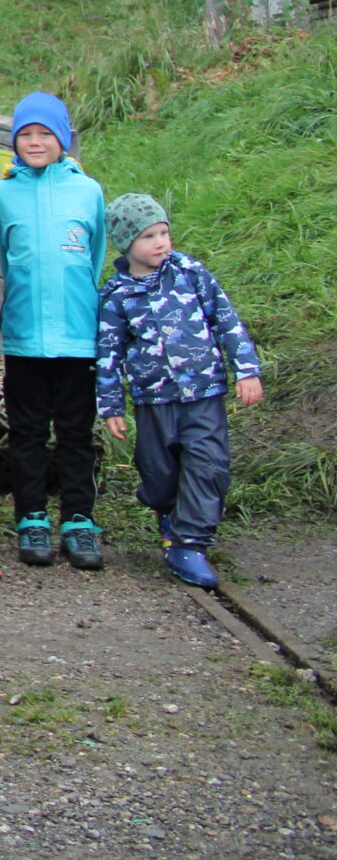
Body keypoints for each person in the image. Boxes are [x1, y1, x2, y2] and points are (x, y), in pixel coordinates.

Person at [97, 195, 263, 591]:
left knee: (208, 465)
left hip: (203, 391)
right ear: (126, 243)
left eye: (164, 233)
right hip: (154, 398)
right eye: (148, 236)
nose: (160, 243)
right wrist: (110, 405)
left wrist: (247, 370)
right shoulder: (117, 294)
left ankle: (190, 543)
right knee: (159, 471)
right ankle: (164, 507)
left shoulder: (190, 273)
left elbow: (226, 320)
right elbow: (107, 352)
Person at [0, 92, 107, 571]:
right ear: (15, 141)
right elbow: (2, 256)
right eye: (26, 134)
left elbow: (95, 258)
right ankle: (31, 517)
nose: (35, 142)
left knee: (77, 433)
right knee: (28, 431)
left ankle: (79, 520)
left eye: (45, 134)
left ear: (63, 139)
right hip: (24, 336)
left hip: (78, 336)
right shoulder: (4, 193)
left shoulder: (89, 191)